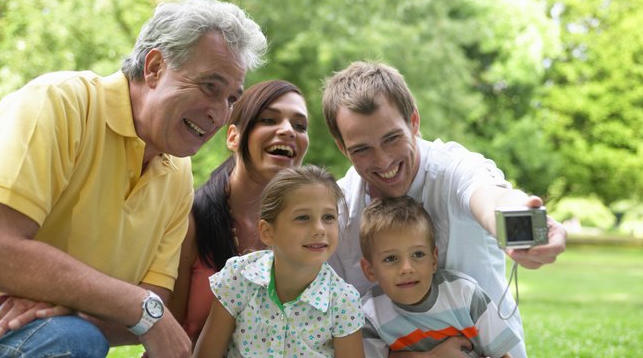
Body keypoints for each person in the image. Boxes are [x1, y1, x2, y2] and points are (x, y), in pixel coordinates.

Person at [0, 0, 266, 358]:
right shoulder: (58, 103)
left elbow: (155, 305)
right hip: (5, 320)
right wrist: (130, 302)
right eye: (210, 86)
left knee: (74, 334)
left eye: (232, 98)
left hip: (55, 331)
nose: (220, 113)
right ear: (154, 68)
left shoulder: (178, 173)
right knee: (74, 339)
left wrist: (75, 302)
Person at [321, 61, 568, 358]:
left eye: (392, 138)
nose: (383, 160)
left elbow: (488, 196)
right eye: (362, 149)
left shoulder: (454, 169)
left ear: (414, 121)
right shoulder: (336, 212)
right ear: (341, 147)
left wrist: (517, 217)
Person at [169, 79, 310, 346]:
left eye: (300, 126)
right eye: (269, 120)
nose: (288, 131)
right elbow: (167, 330)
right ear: (233, 137)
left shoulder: (308, 232)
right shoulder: (190, 220)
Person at [193, 165, 365, 358]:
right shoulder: (238, 277)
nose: (319, 229)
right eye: (303, 217)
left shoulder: (343, 301)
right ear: (267, 232)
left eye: (328, 217)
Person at [359, 196, 519, 358]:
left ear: (434, 260)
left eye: (418, 254)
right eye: (391, 258)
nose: (406, 268)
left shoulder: (465, 294)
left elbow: (503, 355)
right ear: (370, 270)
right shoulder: (369, 315)